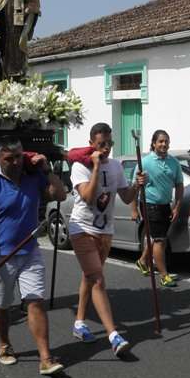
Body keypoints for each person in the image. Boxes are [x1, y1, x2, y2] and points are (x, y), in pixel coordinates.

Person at [0, 137, 67, 374]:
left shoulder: (33, 177)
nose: (15, 162)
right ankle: (4, 344)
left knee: (35, 301)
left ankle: (45, 358)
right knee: (3, 304)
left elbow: (60, 195)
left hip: (29, 251)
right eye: (8, 158)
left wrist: (47, 169)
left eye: (18, 156)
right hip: (0, 255)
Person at [68, 122, 147, 355]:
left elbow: (125, 195)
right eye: (101, 144)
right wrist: (93, 167)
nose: (106, 149)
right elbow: (89, 196)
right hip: (81, 228)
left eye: (109, 144)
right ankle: (113, 335)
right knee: (99, 280)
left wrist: (137, 185)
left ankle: (80, 323)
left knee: (91, 277)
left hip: (105, 230)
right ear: (91, 143)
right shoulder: (79, 166)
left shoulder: (115, 167)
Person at [130, 129, 182, 288]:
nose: (164, 144)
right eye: (160, 141)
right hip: (149, 204)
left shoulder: (174, 162)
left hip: (165, 205)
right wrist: (133, 209)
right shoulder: (145, 162)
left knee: (157, 238)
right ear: (153, 144)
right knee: (160, 241)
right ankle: (164, 275)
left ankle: (142, 261)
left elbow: (179, 185)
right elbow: (134, 187)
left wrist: (177, 207)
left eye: (166, 141)